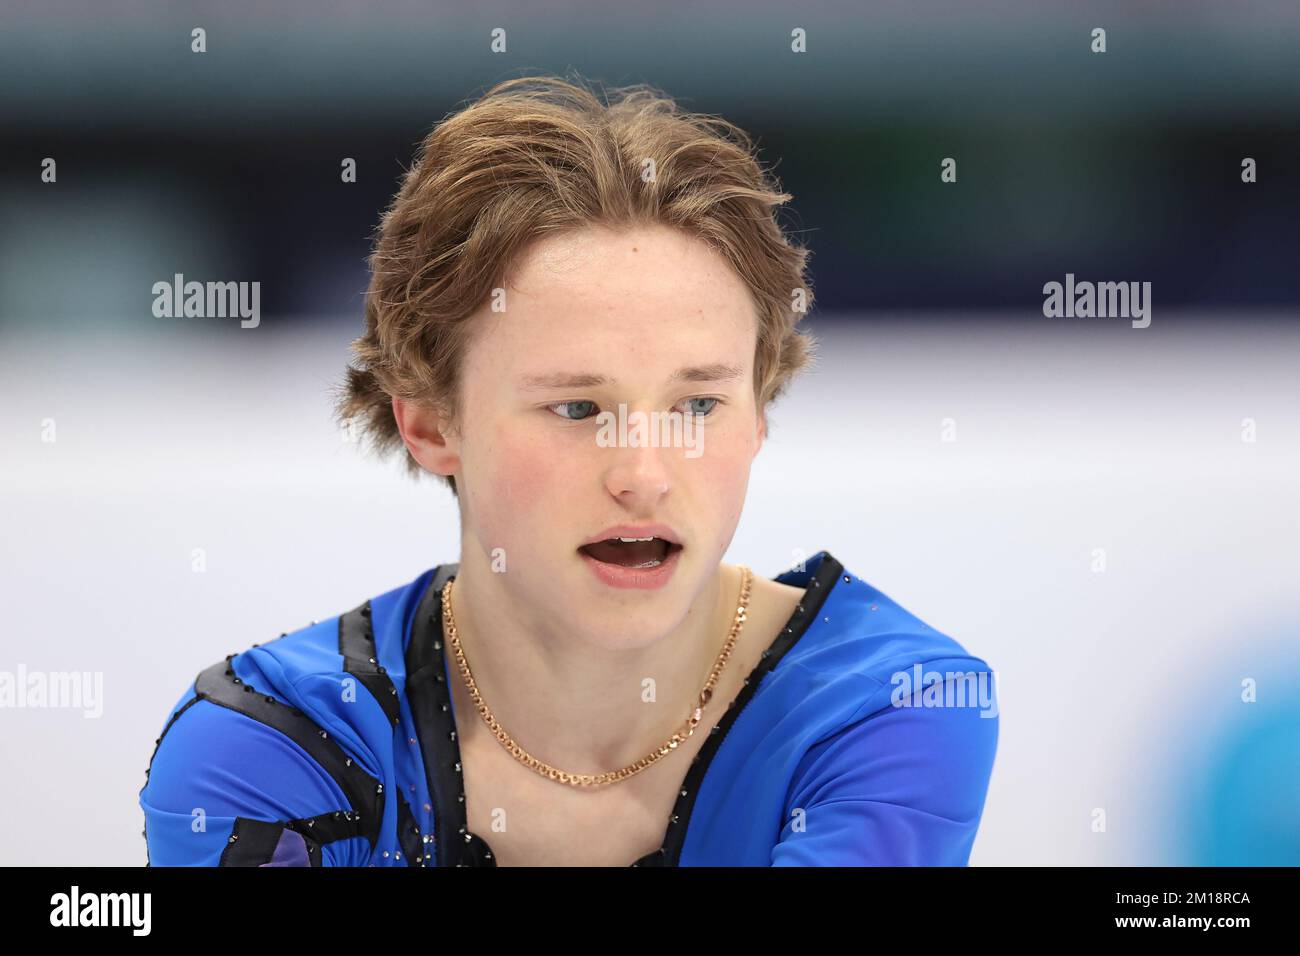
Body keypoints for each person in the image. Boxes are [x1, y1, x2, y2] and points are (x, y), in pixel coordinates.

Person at [138, 72, 998, 866]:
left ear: (761, 411)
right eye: (578, 409)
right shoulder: (274, 742)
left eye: (697, 405)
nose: (645, 475)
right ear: (431, 422)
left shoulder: (891, 705)